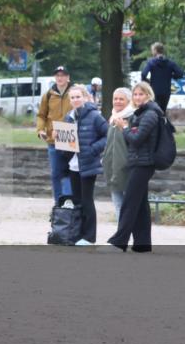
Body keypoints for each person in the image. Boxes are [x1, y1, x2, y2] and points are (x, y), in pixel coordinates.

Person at [107, 82, 162, 252]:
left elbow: (136, 139)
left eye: (141, 94)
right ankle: (142, 244)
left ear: (148, 95)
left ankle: (119, 242)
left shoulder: (150, 114)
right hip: (138, 162)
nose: (137, 97)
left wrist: (124, 128)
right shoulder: (142, 113)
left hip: (142, 163)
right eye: (136, 94)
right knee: (140, 205)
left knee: (129, 203)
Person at [60, 85, 108, 246]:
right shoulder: (68, 117)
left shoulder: (94, 116)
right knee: (77, 200)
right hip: (73, 165)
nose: (75, 100)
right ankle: (77, 233)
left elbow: (107, 135)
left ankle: (89, 236)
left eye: (78, 97)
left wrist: (93, 149)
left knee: (87, 201)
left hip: (88, 164)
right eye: (72, 97)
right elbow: (66, 145)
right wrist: (60, 140)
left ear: (85, 97)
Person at [36, 65, 74, 204]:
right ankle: (59, 203)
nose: (60, 78)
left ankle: (70, 201)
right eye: (57, 75)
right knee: (56, 174)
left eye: (63, 75)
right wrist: (40, 130)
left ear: (68, 77)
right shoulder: (49, 95)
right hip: (53, 140)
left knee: (71, 172)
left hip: (71, 139)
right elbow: (41, 115)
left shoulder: (74, 93)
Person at [102, 87, 134, 222]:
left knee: (129, 206)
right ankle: (121, 235)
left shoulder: (132, 117)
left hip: (127, 168)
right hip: (112, 169)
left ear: (128, 101)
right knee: (118, 206)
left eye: (121, 99)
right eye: (115, 98)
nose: (118, 101)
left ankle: (128, 234)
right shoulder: (112, 118)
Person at [141, 42, 185, 113]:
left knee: (154, 111)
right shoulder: (170, 63)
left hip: (154, 90)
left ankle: (155, 123)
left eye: (152, 50)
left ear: (155, 50)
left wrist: (147, 82)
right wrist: (171, 76)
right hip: (166, 91)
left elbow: (143, 74)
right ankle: (162, 123)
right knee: (162, 111)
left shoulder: (151, 62)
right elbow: (181, 74)